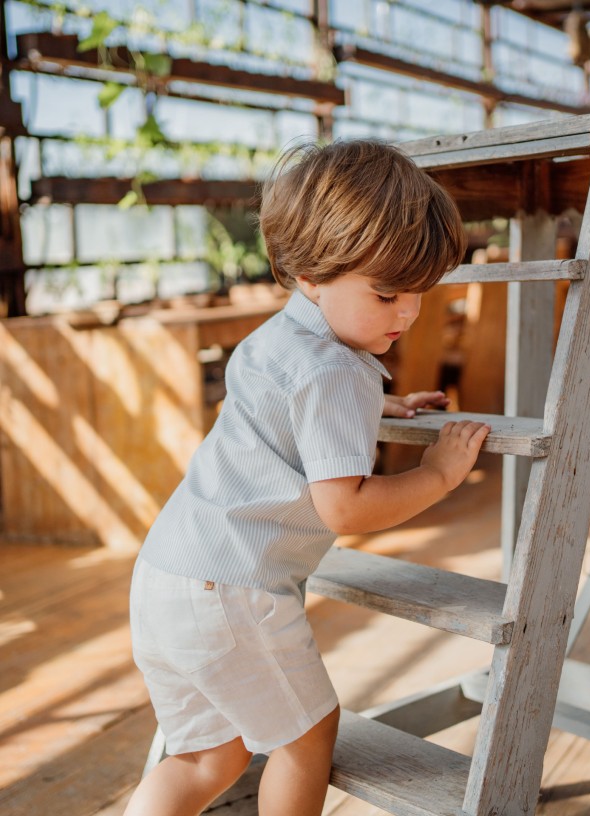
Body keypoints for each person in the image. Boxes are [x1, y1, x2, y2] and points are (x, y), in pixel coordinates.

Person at [125, 139, 490, 816]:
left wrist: (375, 403)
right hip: (232, 592)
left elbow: (290, 404)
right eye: (387, 295)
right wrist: (438, 474)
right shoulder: (334, 373)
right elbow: (344, 510)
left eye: (418, 295)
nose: (407, 314)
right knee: (307, 736)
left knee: (208, 756)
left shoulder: (275, 340)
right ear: (310, 273)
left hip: (166, 578)